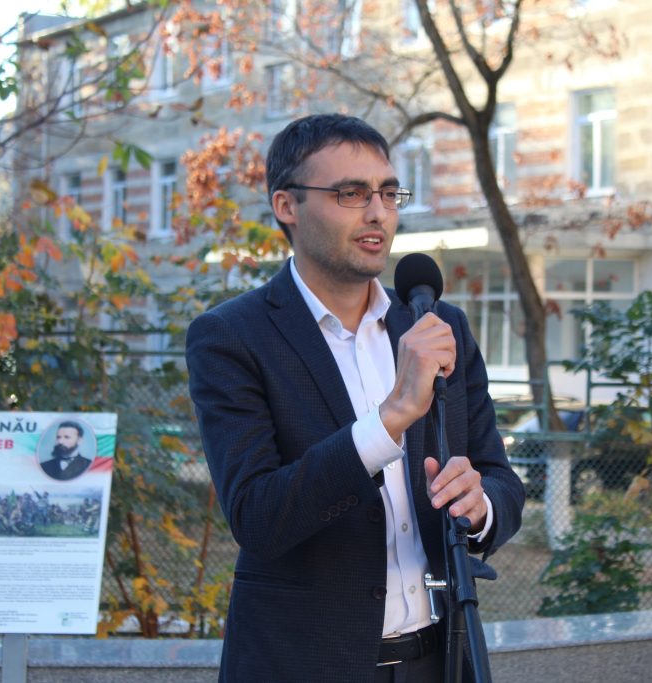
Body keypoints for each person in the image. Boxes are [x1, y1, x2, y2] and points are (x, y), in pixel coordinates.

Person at [186, 113, 525, 682]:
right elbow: (257, 516)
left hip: (438, 660)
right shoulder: (232, 336)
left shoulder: (436, 325)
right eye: (351, 193)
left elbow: (500, 480)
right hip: (304, 666)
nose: (377, 213)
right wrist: (390, 419)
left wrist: (481, 505)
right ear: (287, 205)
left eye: (389, 193)